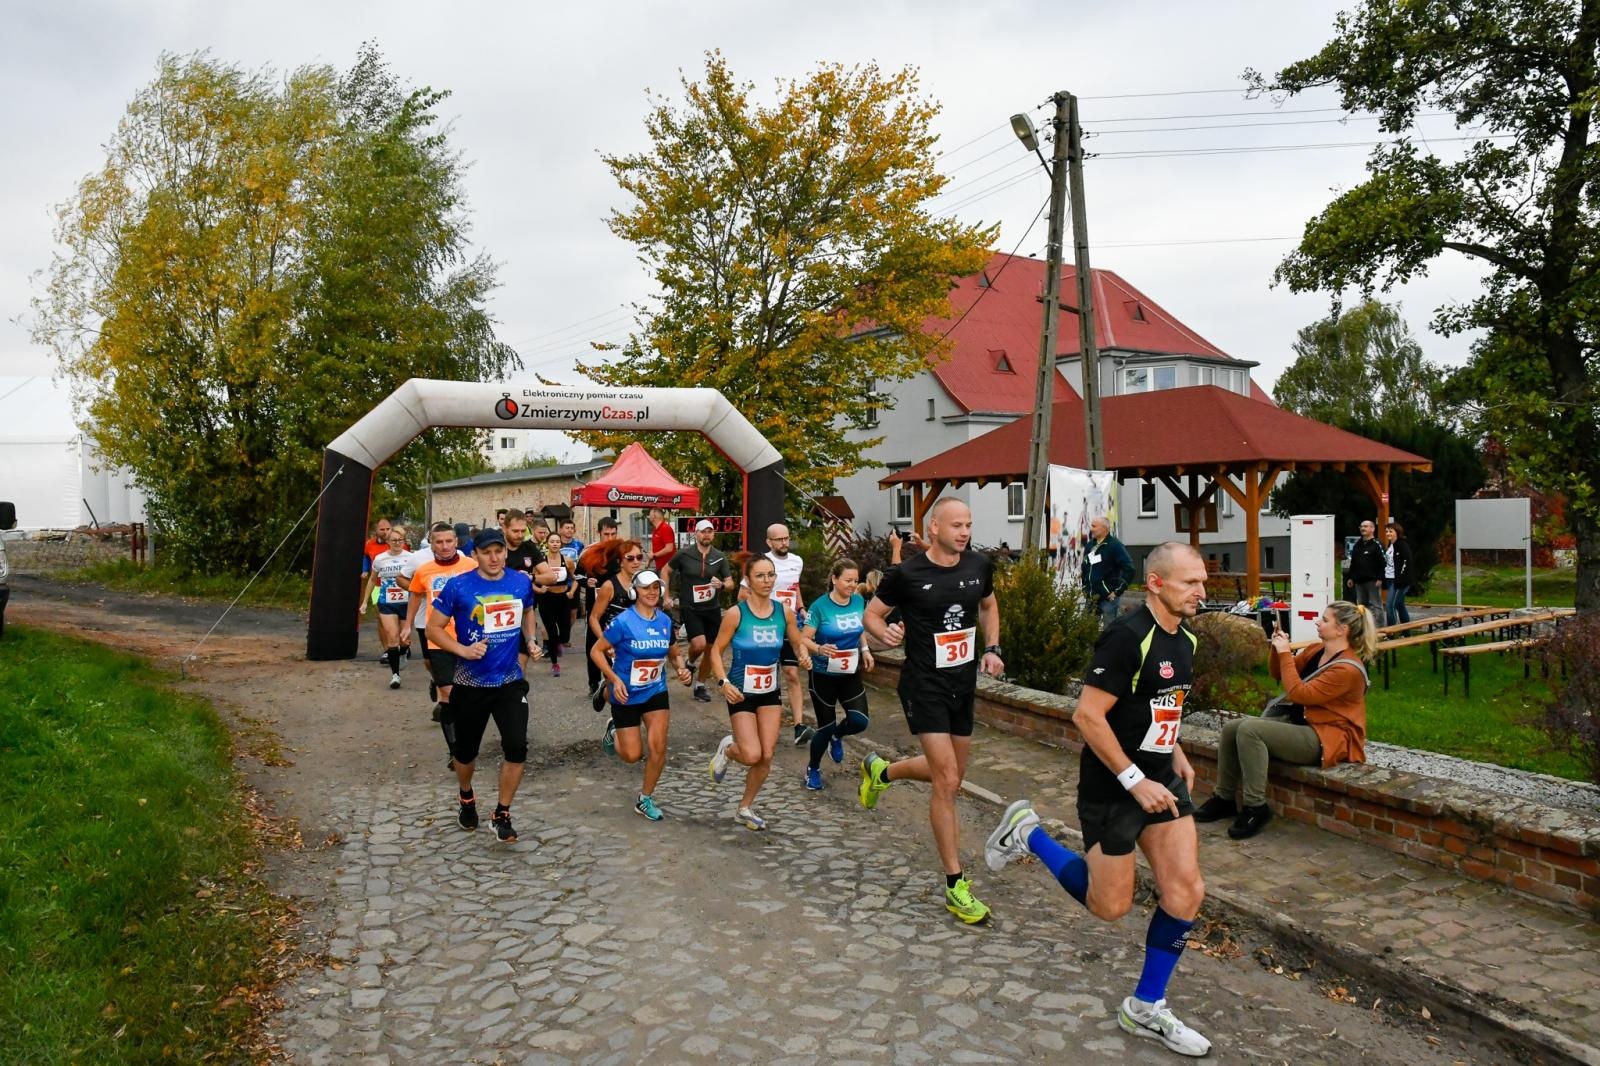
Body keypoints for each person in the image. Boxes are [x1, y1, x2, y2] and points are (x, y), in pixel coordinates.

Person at [981, 542, 1211, 1056]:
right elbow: (1087, 716)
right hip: (1114, 786)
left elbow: (1158, 705)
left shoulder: (1186, 640)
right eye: (1189, 582)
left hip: (1159, 779)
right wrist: (1134, 779)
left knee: (1186, 892)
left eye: (1201, 581)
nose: (1201, 591)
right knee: (1110, 907)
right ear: (1155, 583)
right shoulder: (1126, 638)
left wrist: (1175, 753)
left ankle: (1146, 1007)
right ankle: (1028, 833)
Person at [858, 499, 1003, 924]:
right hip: (924, 685)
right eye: (956, 525)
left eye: (969, 525)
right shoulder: (907, 574)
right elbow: (871, 614)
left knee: (954, 772)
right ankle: (955, 885)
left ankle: (883, 772)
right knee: (948, 781)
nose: (964, 532)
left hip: (963, 685)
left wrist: (992, 648)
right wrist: (882, 630)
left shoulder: (978, 565)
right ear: (934, 527)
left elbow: (989, 605)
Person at [1195, 600, 1375, 840]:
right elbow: (1279, 673)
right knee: (1231, 728)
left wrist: (1284, 653)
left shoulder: (1348, 670)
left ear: (1342, 630)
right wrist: (1277, 648)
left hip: (1325, 737)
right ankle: (1224, 798)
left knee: (1250, 730)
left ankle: (1255, 807)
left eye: (1324, 619)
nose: (1317, 622)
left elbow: (1300, 694)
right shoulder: (1316, 650)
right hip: (1300, 724)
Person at [426, 527, 539, 844]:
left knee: (517, 747)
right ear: (474, 555)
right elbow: (434, 629)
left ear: (505, 552)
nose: (494, 557)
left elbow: (528, 610)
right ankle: (466, 797)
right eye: (486, 552)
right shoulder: (458, 586)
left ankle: (502, 814)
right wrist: (462, 650)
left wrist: (530, 640)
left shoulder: (519, 582)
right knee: (465, 753)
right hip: (470, 683)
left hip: (509, 682)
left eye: (499, 551)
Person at [708, 554, 818, 830]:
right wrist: (723, 683)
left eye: (771, 575)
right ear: (748, 579)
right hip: (741, 693)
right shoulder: (736, 614)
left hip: (769, 691)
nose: (767, 581)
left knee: (766, 755)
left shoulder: (784, 612)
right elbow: (715, 651)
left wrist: (803, 654)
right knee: (751, 755)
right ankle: (728, 749)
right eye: (760, 575)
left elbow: (797, 642)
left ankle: (745, 807)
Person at [590, 570, 692, 821]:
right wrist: (613, 679)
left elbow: (674, 652)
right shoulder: (624, 622)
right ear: (636, 591)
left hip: (655, 690)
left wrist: (680, 668)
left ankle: (645, 798)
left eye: (656, 588)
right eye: (646, 588)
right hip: (625, 692)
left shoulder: (665, 621)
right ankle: (610, 715)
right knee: (631, 755)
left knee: (658, 747)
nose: (652, 592)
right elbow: (596, 651)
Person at [799, 559, 874, 789]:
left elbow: (859, 628)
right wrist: (820, 649)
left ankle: (837, 736)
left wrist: (865, 650)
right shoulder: (820, 607)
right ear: (834, 579)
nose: (853, 585)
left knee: (860, 721)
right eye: (848, 580)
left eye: (856, 580)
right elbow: (804, 638)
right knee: (825, 726)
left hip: (849, 671)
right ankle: (813, 768)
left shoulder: (858, 601)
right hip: (823, 674)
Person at [740, 523, 813, 745]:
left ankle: (799, 726)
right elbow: (742, 595)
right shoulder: (761, 564)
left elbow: (795, 587)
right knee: (765, 674)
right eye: (779, 539)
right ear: (769, 542)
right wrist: (764, 608)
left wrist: (800, 607)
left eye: (786, 538)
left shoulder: (797, 561)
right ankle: (755, 718)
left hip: (789, 625)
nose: (784, 543)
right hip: (766, 627)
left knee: (791, 672)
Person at [403, 524, 477, 723]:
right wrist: (407, 625)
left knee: (467, 695)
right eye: (439, 542)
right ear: (432, 545)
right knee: (447, 694)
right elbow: (415, 595)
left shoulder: (471, 565)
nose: (444, 546)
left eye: (448, 541)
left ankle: (465, 742)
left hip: (468, 636)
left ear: (456, 542)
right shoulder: (423, 571)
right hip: (439, 639)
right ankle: (455, 751)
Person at [663, 518, 734, 702]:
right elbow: (665, 571)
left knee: (711, 650)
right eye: (703, 531)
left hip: (712, 608)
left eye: (710, 531)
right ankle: (690, 662)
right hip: (691, 607)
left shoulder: (719, 556)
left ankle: (700, 685)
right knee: (699, 644)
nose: (706, 535)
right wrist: (666, 596)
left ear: (713, 534)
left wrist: (722, 585)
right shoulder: (684, 554)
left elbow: (730, 583)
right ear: (696, 534)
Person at [583, 539, 647, 721]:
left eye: (639, 557)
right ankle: (617, 722)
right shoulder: (609, 586)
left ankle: (606, 693)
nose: (636, 561)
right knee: (622, 691)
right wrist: (605, 642)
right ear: (620, 561)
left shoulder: (644, 583)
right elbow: (594, 618)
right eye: (630, 558)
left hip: (637, 644)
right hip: (614, 645)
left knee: (636, 687)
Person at [501, 510, 564, 674]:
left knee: (522, 659)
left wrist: (530, 577)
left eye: (523, 531)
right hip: (496, 610)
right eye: (515, 531)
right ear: (504, 528)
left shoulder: (529, 548)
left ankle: (516, 694)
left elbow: (550, 576)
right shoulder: (496, 548)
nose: (519, 535)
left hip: (522, 610)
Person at [360, 525, 413, 689]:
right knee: (392, 636)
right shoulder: (380, 559)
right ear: (388, 542)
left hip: (406, 602)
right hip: (386, 602)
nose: (397, 543)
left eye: (400, 540)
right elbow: (371, 580)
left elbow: (418, 579)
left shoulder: (411, 558)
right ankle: (395, 675)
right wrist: (364, 602)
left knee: (405, 640)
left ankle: (404, 652)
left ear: (404, 541)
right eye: (394, 540)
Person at [578, 517, 621, 696]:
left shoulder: (622, 552)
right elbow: (576, 576)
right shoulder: (589, 553)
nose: (610, 538)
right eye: (606, 534)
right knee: (593, 644)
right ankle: (594, 682)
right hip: (595, 607)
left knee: (618, 642)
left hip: (617, 607)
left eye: (613, 534)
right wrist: (587, 581)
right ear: (599, 533)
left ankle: (616, 677)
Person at [1082, 515, 1135, 625]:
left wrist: (1117, 591)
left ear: (1104, 528)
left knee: (1109, 631)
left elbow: (1130, 569)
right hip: (1092, 597)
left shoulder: (1115, 546)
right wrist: (1085, 587)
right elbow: (1085, 567)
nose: (1091, 529)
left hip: (1108, 598)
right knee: (1086, 631)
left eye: (1094, 526)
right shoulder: (1090, 545)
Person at [537, 531, 577, 675]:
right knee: (552, 633)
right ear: (547, 543)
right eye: (552, 541)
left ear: (561, 544)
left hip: (563, 599)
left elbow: (575, 578)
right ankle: (555, 663)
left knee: (565, 633)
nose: (555, 544)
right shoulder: (541, 562)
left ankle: (559, 643)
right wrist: (539, 588)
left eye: (557, 542)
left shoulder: (567, 561)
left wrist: (572, 591)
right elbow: (533, 579)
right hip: (547, 599)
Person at [1344, 519, 1384, 612]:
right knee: (1361, 606)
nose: (1362, 528)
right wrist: (1351, 577)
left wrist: (1380, 578)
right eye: (1361, 526)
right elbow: (1354, 562)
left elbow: (1383, 562)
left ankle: (1379, 625)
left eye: (1365, 526)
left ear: (1372, 529)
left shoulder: (1377, 544)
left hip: (1372, 580)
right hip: (1359, 581)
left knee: (1376, 605)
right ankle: (1365, 625)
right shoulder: (1358, 544)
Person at [1383, 522, 1412, 627]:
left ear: (1397, 532)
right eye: (1387, 531)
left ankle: (1392, 632)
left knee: (1390, 605)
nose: (1388, 533)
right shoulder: (1390, 545)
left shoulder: (1402, 545)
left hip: (1399, 581)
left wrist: (1401, 578)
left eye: (1391, 531)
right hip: (1390, 579)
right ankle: (1406, 631)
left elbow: (1406, 562)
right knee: (1400, 605)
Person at [648, 506, 676, 571]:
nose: (649, 516)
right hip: (660, 567)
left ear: (654, 515)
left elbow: (669, 548)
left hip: (668, 568)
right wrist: (649, 561)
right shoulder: (655, 530)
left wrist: (654, 555)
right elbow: (655, 548)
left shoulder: (665, 528)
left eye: (650, 514)